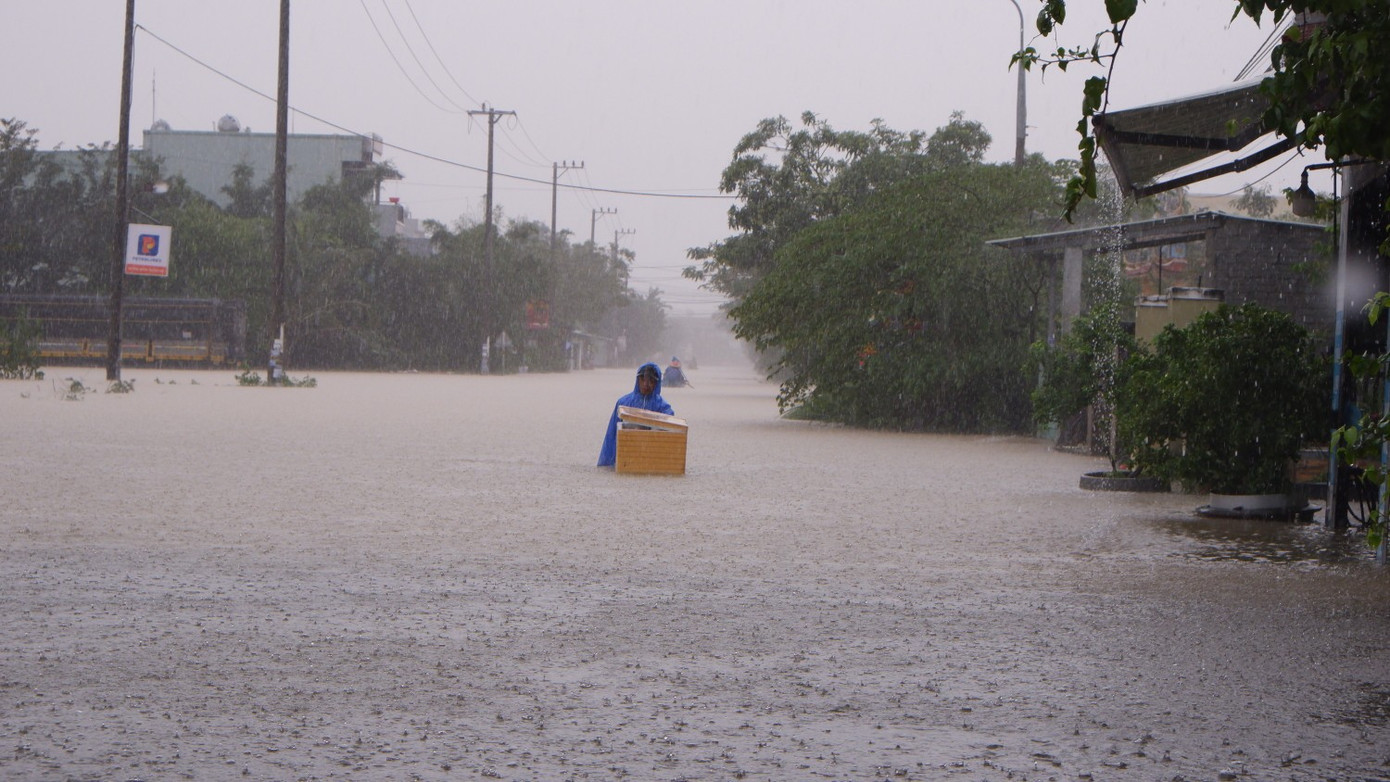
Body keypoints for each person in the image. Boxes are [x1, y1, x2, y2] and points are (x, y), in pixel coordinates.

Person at [597, 362, 673, 467]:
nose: (646, 384)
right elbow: (612, 436)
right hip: (626, 458)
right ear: (638, 380)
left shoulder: (664, 408)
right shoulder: (623, 403)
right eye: (643, 379)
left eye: (651, 380)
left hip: (650, 459)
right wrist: (607, 465)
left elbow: (668, 441)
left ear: (657, 383)